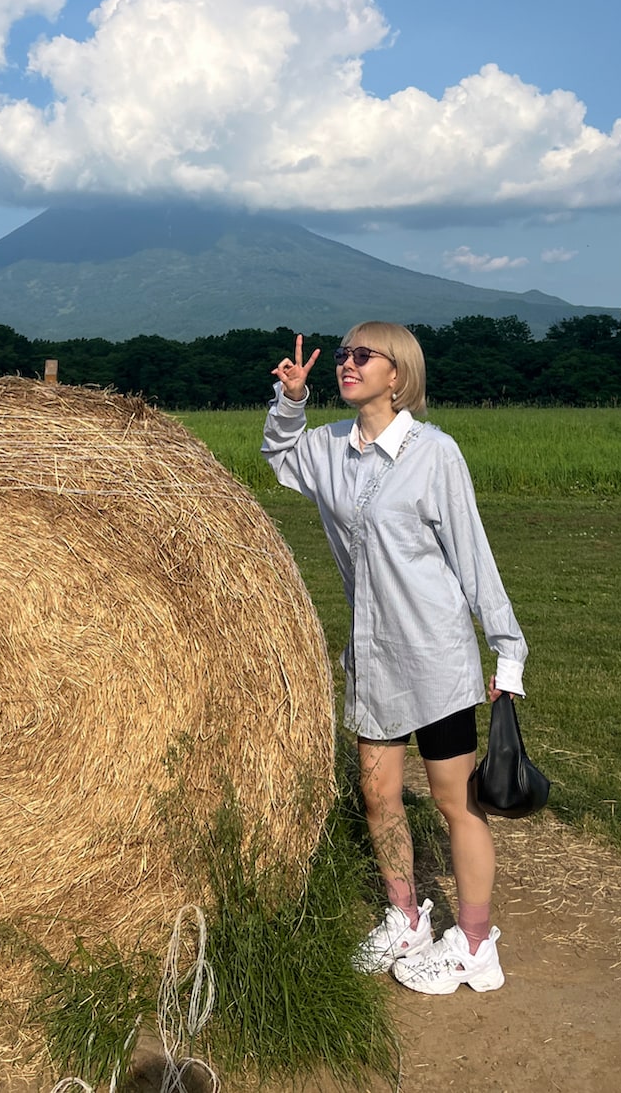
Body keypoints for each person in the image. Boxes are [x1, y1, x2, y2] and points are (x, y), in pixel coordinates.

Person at [263, 322, 527, 995]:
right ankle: (406, 917)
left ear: (398, 374)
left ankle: (474, 946)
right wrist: (291, 399)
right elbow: (279, 455)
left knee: (454, 801)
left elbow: (473, 553)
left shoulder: (434, 453)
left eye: (361, 356)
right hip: (373, 657)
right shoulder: (329, 447)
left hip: (435, 656)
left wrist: (508, 647)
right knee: (379, 795)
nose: (346, 364)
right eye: (343, 355)